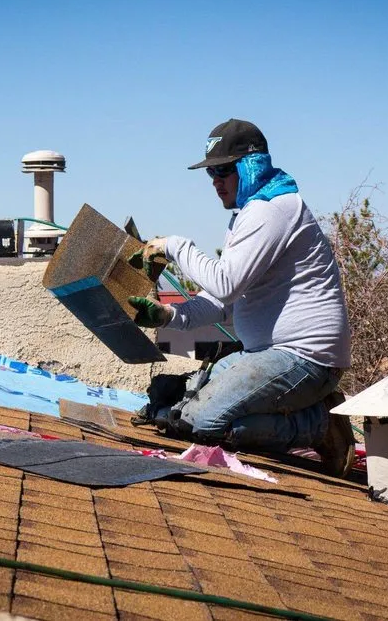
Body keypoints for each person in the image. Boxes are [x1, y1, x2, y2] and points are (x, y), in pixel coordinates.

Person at [127, 118, 356, 477]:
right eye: (211, 173)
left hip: (306, 359)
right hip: (267, 355)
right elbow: (222, 302)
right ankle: (301, 411)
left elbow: (225, 284)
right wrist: (168, 316)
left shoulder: (273, 210)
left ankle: (320, 424)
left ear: (251, 166)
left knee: (201, 423)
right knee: (173, 401)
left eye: (223, 170)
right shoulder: (249, 214)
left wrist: (174, 246)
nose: (215, 181)